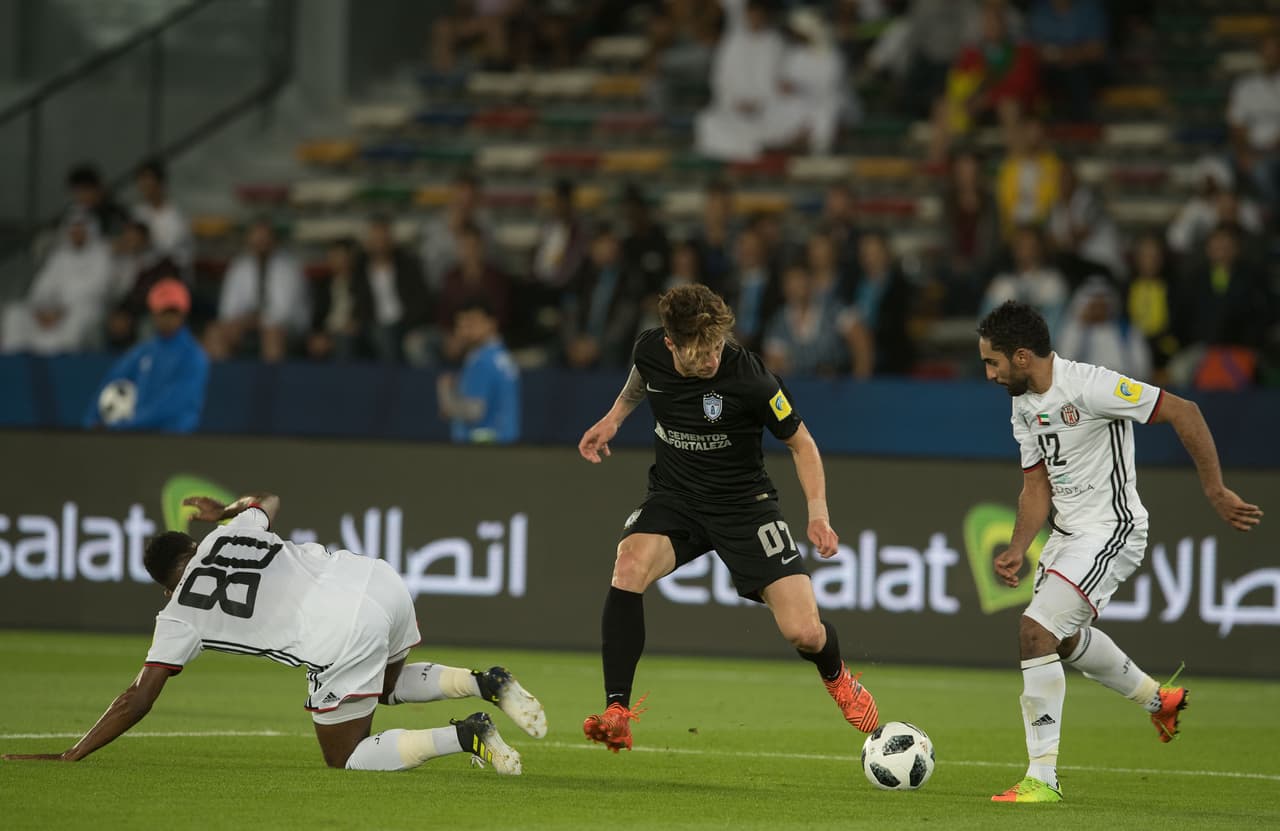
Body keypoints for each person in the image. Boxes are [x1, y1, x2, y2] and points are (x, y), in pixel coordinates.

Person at [2, 491, 546, 771]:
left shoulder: (177, 614)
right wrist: (227, 510)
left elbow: (137, 699)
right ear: (193, 547)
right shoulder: (227, 533)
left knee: (346, 757)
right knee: (380, 683)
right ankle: (486, 681)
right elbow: (268, 501)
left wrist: (74, 754)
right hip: (374, 577)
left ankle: (467, 734)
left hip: (337, 630)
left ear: (163, 586)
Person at [976, 300, 1263, 803]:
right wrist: (1018, 547)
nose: (989, 374)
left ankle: (1042, 778)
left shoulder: (1091, 385)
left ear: (1022, 356)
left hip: (1113, 529)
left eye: (992, 362)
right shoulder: (1022, 404)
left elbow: (1184, 410)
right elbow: (1036, 486)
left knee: (1034, 632)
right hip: (1067, 537)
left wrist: (1216, 490)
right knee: (1061, 641)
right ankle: (1160, 700)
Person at [575, 284, 880, 753]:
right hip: (675, 496)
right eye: (701, 352)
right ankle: (617, 708)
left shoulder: (751, 378)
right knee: (628, 566)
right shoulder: (650, 349)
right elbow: (642, 377)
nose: (713, 360)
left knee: (803, 631)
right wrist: (614, 418)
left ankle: (837, 677)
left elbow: (803, 444)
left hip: (744, 505)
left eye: (718, 346)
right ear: (671, 344)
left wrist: (818, 515)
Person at [82, 279, 209, 433]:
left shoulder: (194, 356)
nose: (168, 319)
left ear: (183, 314)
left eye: (173, 312)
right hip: (139, 436)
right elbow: (112, 381)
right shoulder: (142, 352)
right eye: (163, 312)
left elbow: (173, 404)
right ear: (153, 313)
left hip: (175, 440)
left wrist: (126, 425)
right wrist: (92, 420)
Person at [1, 214, 112, 355]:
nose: (76, 234)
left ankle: (60, 364)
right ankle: (14, 363)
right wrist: (42, 310)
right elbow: (42, 288)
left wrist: (62, 311)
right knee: (14, 313)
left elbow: (99, 290)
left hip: (82, 309)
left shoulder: (102, 255)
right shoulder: (59, 256)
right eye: (73, 230)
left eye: (81, 230)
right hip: (52, 310)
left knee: (80, 317)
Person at [204, 219, 309, 363]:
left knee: (271, 335)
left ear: (273, 241)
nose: (260, 243)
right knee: (214, 333)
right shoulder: (238, 267)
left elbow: (284, 313)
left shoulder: (289, 269)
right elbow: (227, 310)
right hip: (245, 325)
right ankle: (226, 383)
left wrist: (257, 321)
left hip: (288, 328)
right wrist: (242, 322)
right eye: (257, 239)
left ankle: (272, 385)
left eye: (264, 239)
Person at [438, 298, 521, 444]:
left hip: (482, 446)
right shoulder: (501, 356)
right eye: (461, 324)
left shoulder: (482, 360)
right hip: (505, 442)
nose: (464, 331)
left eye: (471, 323)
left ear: (491, 324)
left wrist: (446, 396)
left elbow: (474, 411)